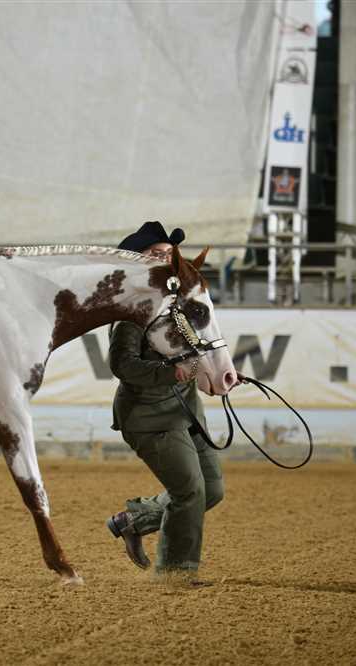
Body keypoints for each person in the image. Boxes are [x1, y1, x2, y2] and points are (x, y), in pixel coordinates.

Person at [105, 221, 227, 583]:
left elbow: (200, 348)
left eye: (168, 253)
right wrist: (170, 372)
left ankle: (134, 520)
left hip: (186, 410)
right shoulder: (131, 310)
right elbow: (122, 365)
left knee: (211, 490)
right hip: (149, 416)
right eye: (156, 253)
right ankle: (175, 571)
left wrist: (214, 372)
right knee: (189, 491)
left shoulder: (179, 304)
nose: (165, 258)